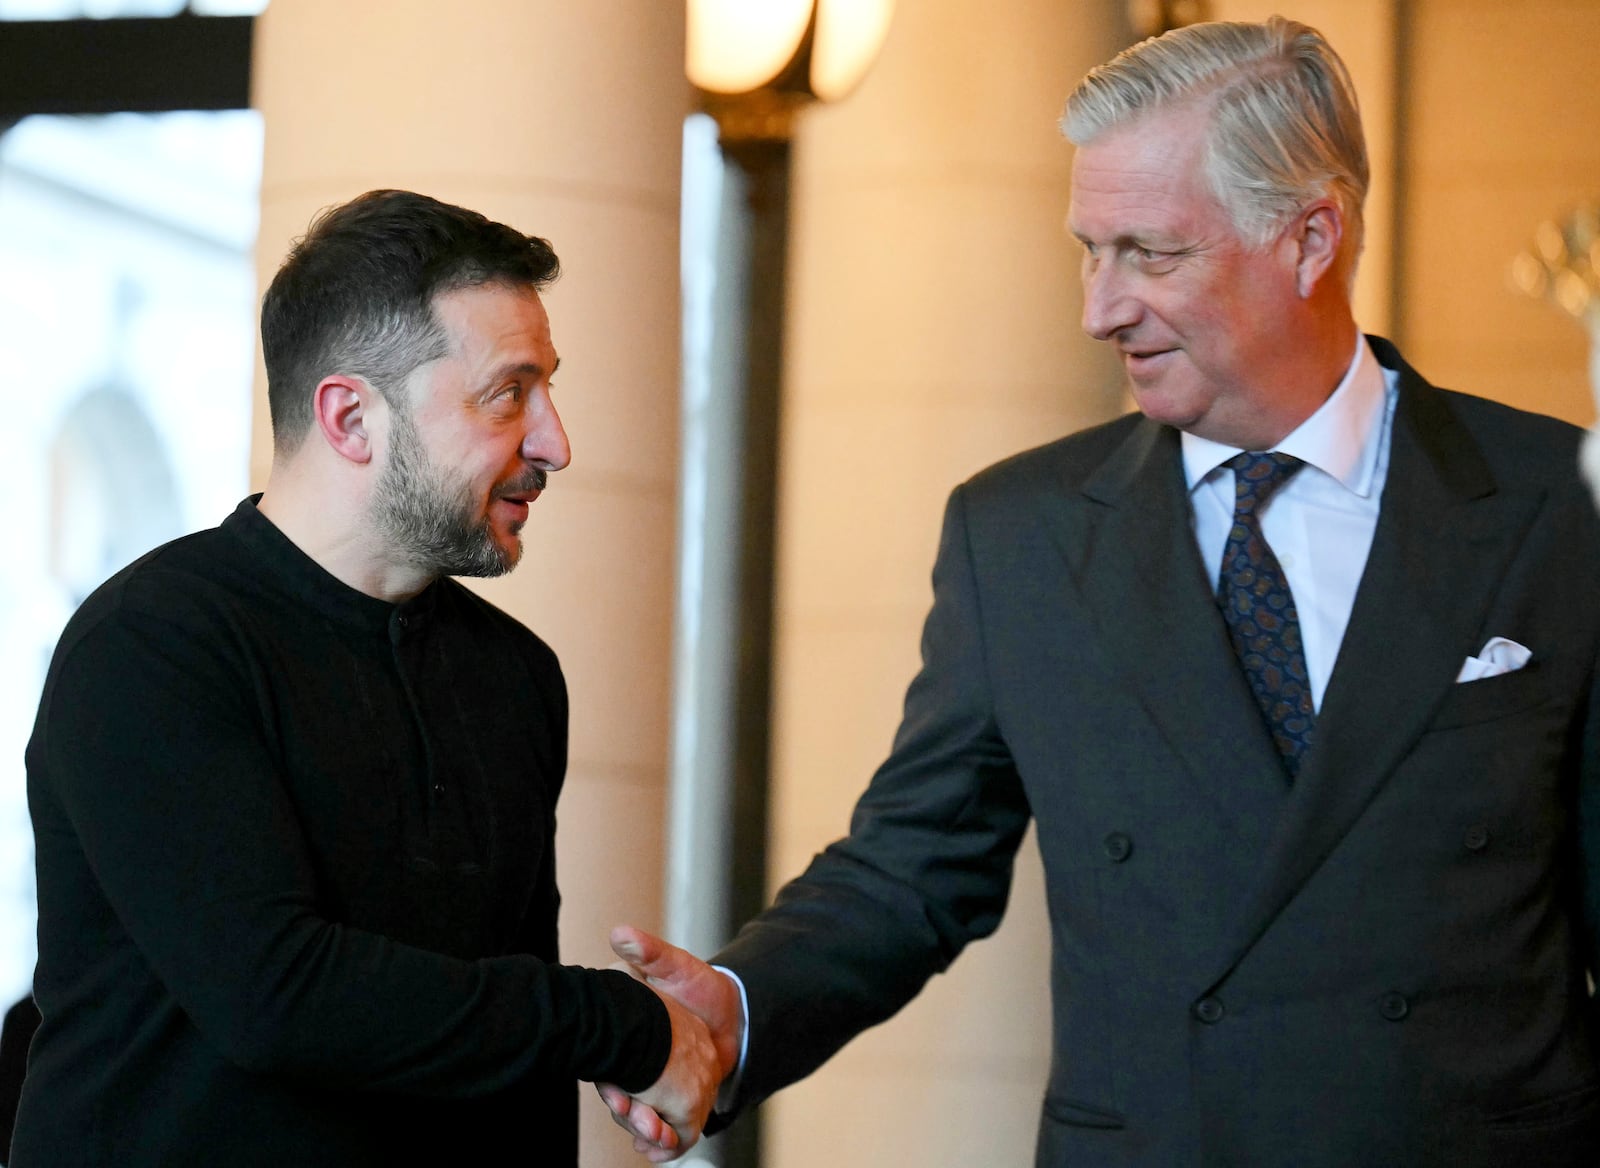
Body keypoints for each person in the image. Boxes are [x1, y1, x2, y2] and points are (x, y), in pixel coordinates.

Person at [603, 17, 1600, 1167]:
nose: (1100, 306)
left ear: (1310, 238)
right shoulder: (1018, 534)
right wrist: (734, 1007)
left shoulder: (1556, 511)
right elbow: (910, 866)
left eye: (1149, 252)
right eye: (1089, 248)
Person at [14, 190, 719, 1166]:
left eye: (546, 389)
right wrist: (614, 1021)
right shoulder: (152, 644)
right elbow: (278, 997)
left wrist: (609, 1030)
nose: (555, 441)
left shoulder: (516, 677)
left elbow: (507, 1080)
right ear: (351, 417)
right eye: (508, 393)